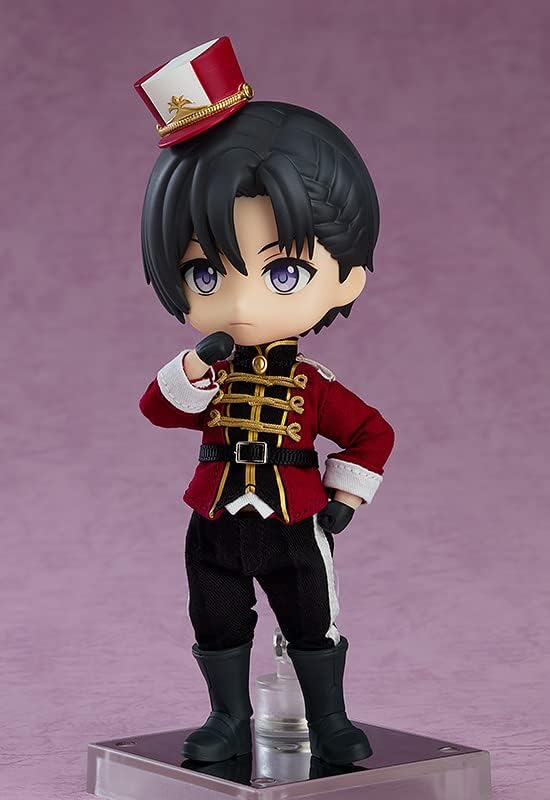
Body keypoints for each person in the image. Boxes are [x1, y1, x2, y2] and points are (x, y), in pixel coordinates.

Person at [135, 37, 395, 766]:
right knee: (216, 617)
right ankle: (227, 717)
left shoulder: (314, 384)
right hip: (216, 514)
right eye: (206, 274)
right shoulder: (209, 369)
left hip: (294, 514)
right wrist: (195, 364)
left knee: (312, 618)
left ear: (346, 278)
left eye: (283, 273)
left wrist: (344, 498)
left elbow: (372, 434)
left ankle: (330, 718)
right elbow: (159, 408)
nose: (242, 302)